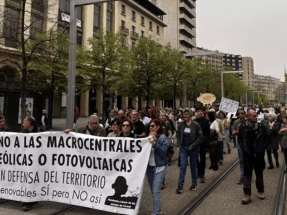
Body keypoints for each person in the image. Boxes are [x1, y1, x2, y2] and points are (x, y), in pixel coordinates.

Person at [238, 109, 268, 204]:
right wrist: (244, 149)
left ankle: (260, 191)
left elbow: (266, 138)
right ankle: (247, 194)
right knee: (247, 175)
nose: (256, 117)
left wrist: (261, 148)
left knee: (259, 174)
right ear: (249, 116)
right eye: (254, 116)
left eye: (256, 115)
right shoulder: (242, 127)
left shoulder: (260, 127)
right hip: (247, 155)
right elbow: (240, 140)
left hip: (258, 155)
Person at [176, 108, 203, 193]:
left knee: (193, 166)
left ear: (190, 115)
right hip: (183, 148)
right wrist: (180, 143)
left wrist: (193, 145)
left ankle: (194, 183)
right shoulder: (181, 124)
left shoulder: (195, 125)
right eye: (184, 114)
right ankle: (180, 186)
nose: (185, 116)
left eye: (187, 114)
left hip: (193, 148)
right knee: (183, 166)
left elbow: (200, 137)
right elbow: (178, 134)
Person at [146, 119, 168, 215]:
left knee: (156, 191)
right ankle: (158, 209)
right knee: (152, 190)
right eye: (150, 126)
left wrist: (154, 143)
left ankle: (155, 213)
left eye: (153, 126)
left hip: (160, 167)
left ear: (158, 126)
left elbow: (163, 152)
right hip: (150, 168)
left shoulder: (163, 138)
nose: (150, 128)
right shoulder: (147, 137)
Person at [21, 116, 38, 211]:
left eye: (24, 122)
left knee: (31, 180)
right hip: (25, 162)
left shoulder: (40, 133)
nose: (23, 124)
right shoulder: (23, 133)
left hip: (35, 163)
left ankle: (29, 202)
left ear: (29, 124)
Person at [194, 107, 210, 183]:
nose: (200, 113)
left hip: (203, 142)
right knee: (196, 158)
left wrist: (205, 141)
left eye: (201, 111)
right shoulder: (194, 121)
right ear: (197, 112)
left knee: (202, 159)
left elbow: (208, 133)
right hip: (196, 143)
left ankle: (202, 174)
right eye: (198, 111)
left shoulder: (206, 121)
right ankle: (198, 173)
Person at [232, 110, 247, 185]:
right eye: (239, 114)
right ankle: (242, 177)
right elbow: (233, 133)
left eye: (242, 114)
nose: (240, 115)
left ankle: (248, 175)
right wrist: (237, 132)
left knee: (248, 160)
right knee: (241, 161)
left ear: (245, 114)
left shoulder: (248, 121)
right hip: (240, 144)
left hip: (248, 144)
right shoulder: (236, 122)